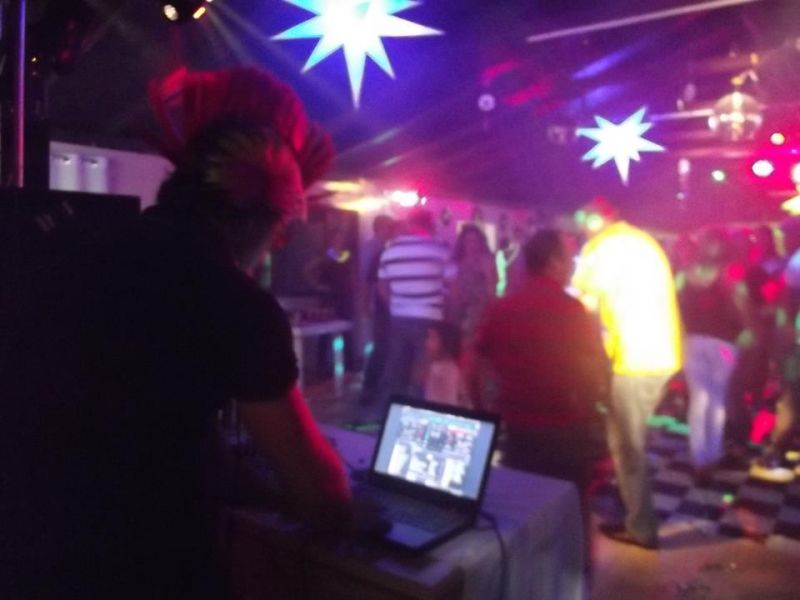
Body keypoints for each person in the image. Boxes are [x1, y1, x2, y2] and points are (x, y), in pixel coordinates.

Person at [0, 67, 352, 598]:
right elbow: (322, 499)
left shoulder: (89, 246)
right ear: (267, 214)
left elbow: (139, 425)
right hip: (138, 573)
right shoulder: (233, 300)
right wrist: (341, 496)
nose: (278, 245)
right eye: (281, 228)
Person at [466, 229, 608, 569]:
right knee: (572, 514)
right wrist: (591, 412)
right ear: (553, 262)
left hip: (519, 430)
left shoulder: (503, 307)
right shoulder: (572, 310)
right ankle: (574, 578)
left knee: (524, 514)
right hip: (566, 429)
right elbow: (593, 372)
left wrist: (484, 408)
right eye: (568, 259)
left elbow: (472, 362)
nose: (572, 266)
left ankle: (528, 579)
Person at [571, 197, 683, 550]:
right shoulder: (644, 241)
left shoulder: (599, 249)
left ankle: (641, 527)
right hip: (662, 353)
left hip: (634, 359)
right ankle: (632, 510)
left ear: (594, 220)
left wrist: (588, 360)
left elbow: (582, 308)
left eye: (583, 219)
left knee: (627, 446)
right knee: (627, 441)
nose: (580, 227)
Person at [678, 227, 749, 479]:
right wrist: (747, 329)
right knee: (717, 399)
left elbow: (676, 304)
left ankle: (700, 458)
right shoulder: (731, 272)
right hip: (723, 343)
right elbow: (741, 303)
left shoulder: (685, 272)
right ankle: (713, 453)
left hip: (694, 340)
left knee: (700, 399)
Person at [376, 208, 450, 410]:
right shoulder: (439, 249)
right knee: (423, 371)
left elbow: (382, 287)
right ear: (429, 224)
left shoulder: (390, 251)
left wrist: (396, 305)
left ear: (410, 224)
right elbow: (454, 285)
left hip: (399, 318)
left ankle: (388, 412)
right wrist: (446, 308)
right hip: (430, 317)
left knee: (395, 367)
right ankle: (418, 414)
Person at [360, 215, 396, 403]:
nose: (391, 231)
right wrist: (365, 305)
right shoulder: (373, 250)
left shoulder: (385, 250)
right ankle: (370, 387)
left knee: (386, 347)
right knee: (381, 346)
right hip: (382, 306)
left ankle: (378, 386)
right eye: (388, 227)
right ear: (379, 228)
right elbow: (366, 280)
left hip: (387, 306)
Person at [447, 224, 497, 346]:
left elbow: (491, 286)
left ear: (481, 242)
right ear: (462, 242)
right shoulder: (456, 261)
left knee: (474, 343)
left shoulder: (486, 260)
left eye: (475, 241)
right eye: (468, 240)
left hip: (479, 309)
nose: (472, 244)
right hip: (458, 310)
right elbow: (452, 288)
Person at [418, 322, 463, 406]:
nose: (426, 343)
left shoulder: (446, 371)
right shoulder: (436, 366)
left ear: (445, 343)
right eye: (428, 337)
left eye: (432, 338)